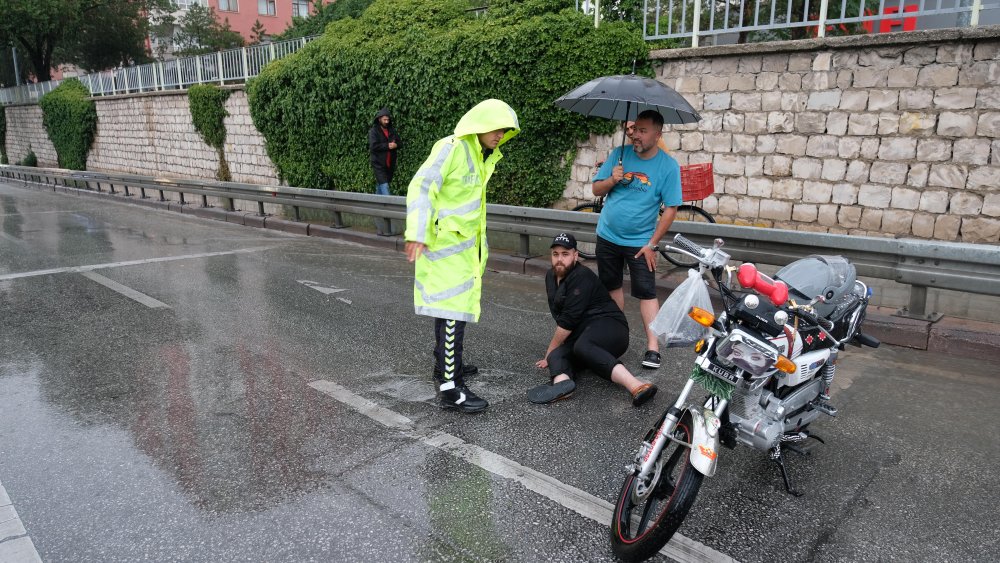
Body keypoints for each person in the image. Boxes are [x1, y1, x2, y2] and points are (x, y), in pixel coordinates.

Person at [404, 99, 519, 413]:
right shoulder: (453, 147)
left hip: (465, 249)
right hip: (445, 249)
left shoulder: (483, 155)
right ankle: (451, 389)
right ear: (481, 124)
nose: (501, 135)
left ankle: (446, 365)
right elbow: (422, 187)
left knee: (451, 312)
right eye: (498, 128)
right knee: (454, 313)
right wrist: (417, 232)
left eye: (506, 131)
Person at [591, 109, 682, 371]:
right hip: (607, 235)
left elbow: (672, 208)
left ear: (657, 134)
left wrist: (652, 243)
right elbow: (596, 189)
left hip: (640, 242)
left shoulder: (667, 166)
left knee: (646, 292)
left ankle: (653, 348)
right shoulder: (619, 155)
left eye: (642, 131)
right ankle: (614, 337)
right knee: (611, 287)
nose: (636, 136)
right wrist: (611, 179)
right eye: (634, 130)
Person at [526, 232, 658, 406]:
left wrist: (548, 352)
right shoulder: (550, 276)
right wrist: (551, 356)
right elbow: (559, 314)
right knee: (557, 355)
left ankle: (637, 386)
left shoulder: (582, 276)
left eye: (565, 254)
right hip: (584, 333)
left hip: (611, 328)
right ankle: (563, 384)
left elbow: (567, 322)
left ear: (575, 255)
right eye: (555, 254)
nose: (559, 259)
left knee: (577, 347)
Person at [369, 108, 402, 234]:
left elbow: (400, 143)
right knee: (385, 188)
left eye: (388, 119)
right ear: (379, 119)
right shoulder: (374, 131)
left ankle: (376, 216)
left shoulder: (392, 130)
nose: (387, 121)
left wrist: (396, 145)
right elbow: (373, 146)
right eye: (385, 119)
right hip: (378, 165)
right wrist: (388, 146)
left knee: (379, 189)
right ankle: (391, 223)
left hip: (389, 166)